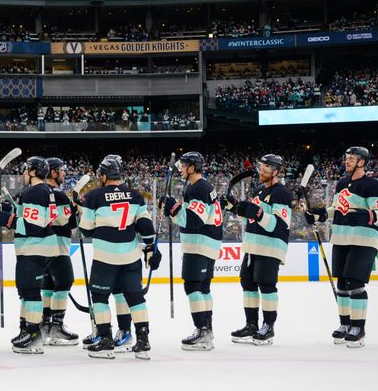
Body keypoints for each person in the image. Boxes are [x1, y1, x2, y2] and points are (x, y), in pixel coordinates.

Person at [305, 146, 378, 347]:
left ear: (362, 162)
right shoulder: (342, 183)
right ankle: (344, 325)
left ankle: (358, 328)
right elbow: (338, 209)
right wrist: (320, 214)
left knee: (355, 283)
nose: (347, 161)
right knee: (342, 284)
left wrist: (364, 215)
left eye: (352, 158)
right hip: (341, 238)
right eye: (347, 157)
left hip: (363, 239)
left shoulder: (373, 185)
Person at [79, 157, 160, 359]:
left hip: (105, 257)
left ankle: (105, 340)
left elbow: (86, 231)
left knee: (99, 298)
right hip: (130, 257)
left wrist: (80, 213)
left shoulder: (94, 196)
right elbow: (146, 228)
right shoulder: (135, 196)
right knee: (136, 298)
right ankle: (143, 341)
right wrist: (151, 247)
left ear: (104, 176)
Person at [224, 154, 293, 345]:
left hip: (270, 247)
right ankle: (251, 325)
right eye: (261, 167)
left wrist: (260, 213)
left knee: (267, 285)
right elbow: (251, 218)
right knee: (248, 284)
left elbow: (280, 225)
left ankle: (268, 327)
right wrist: (235, 208)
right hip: (252, 245)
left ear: (276, 171)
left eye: (266, 168)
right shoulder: (258, 190)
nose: (261, 171)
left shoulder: (281, 193)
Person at [0, 156, 57, 354]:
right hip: (39, 247)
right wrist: (6, 210)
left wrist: (8, 220)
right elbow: (32, 217)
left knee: (30, 291)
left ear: (33, 172)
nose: (23, 173)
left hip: (35, 247)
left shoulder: (35, 191)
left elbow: (32, 226)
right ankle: (25, 329)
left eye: (26, 170)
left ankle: (34, 335)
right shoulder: (44, 190)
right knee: (26, 290)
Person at [161, 151, 222, 351]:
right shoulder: (204, 186)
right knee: (203, 288)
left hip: (199, 244)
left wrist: (175, 209)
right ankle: (207, 330)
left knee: (193, 286)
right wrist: (174, 210)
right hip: (209, 244)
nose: (180, 168)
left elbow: (195, 220)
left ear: (193, 168)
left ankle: (201, 330)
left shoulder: (197, 188)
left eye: (184, 165)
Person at [41, 157, 79, 346]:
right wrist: (75, 207)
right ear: (53, 172)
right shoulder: (60, 194)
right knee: (64, 282)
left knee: (48, 285)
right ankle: (57, 327)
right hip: (58, 246)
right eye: (62, 170)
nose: (64, 174)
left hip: (42, 246)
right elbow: (70, 223)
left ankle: (45, 325)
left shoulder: (39, 192)